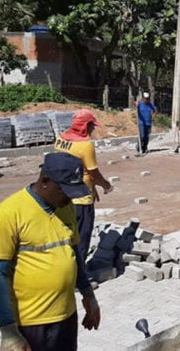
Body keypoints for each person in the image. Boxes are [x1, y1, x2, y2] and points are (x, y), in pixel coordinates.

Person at [0, 152, 101, 351]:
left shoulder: (65, 207)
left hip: (66, 316)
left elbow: (74, 255)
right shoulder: (8, 213)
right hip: (31, 323)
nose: (69, 197)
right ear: (45, 181)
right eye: (64, 190)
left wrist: (88, 295)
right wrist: (8, 331)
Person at [54, 109, 113, 267]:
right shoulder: (85, 146)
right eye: (92, 126)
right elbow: (93, 172)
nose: (93, 129)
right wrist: (106, 186)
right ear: (86, 126)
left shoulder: (60, 140)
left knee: (66, 237)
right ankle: (79, 278)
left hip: (62, 197)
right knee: (81, 238)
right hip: (81, 200)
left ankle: (64, 270)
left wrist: (93, 188)